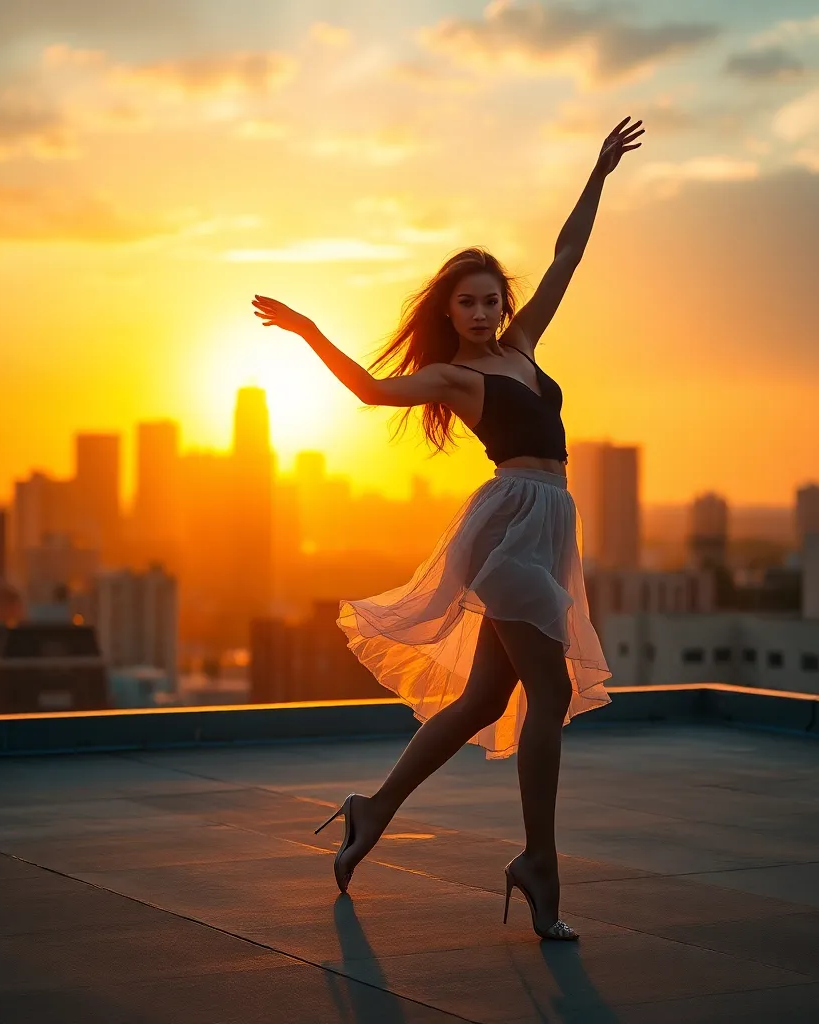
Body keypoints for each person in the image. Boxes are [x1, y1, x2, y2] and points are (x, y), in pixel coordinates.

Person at [253, 116, 644, 940]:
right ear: (450, 310)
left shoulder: (525, 345)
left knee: (482, 699)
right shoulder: (454, 376)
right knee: (549, 693)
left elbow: (568, 255)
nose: (480, 311)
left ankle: (373, 809)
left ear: (504, 304)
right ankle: (539, 862)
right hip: (510, 531)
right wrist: (308, 330)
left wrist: (599, 174)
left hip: (549, 524)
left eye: (490, 299)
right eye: (465, 302)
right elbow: (368, 391)